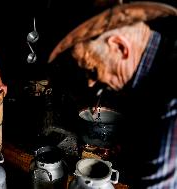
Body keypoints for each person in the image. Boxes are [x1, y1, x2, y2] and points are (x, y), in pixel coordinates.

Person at [48, 1, 177, 188]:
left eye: (92, 69)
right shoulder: (162, 58)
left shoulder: (169, 106)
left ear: (119, 46)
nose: (90, 82)